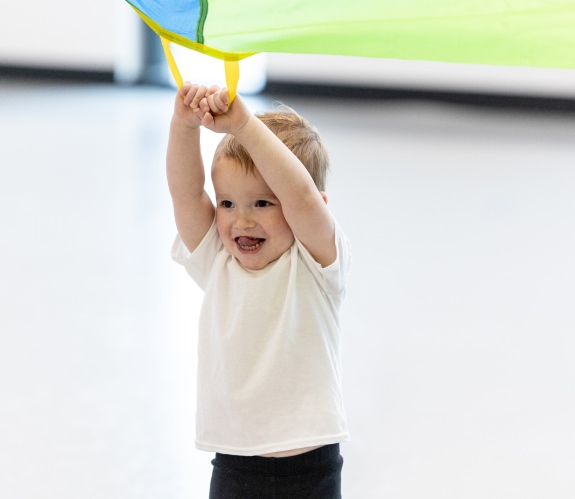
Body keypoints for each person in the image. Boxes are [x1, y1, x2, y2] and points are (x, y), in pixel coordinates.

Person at [167, 82, 352, 498]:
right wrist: (184, 126)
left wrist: (245, 126)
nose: (241, 221)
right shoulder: (218, 259)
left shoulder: (316, 262)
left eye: (263, 204)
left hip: (311, 468)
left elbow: (301, 196)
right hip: (234, 463)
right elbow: (186, 194)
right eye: (228, 204)